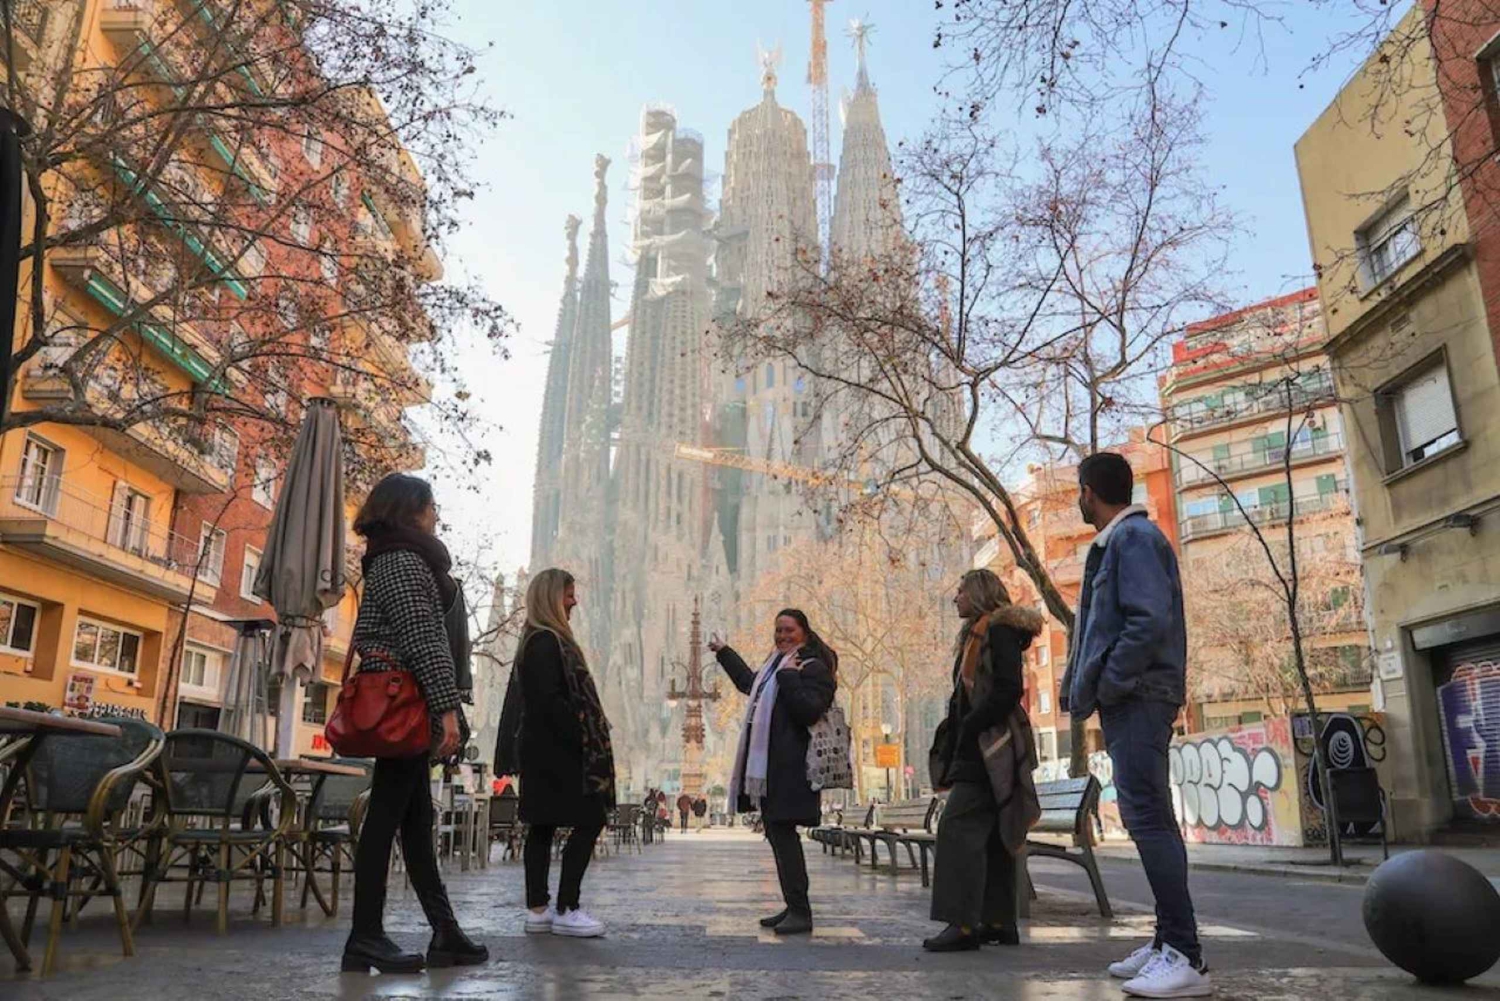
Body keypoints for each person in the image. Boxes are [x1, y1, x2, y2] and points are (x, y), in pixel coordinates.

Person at [1059, 452, 1207, 999]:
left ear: (1089, 491)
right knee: (1150, 818)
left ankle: (1185, 955)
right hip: (1134, 696)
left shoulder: (1134, 539)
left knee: (1147, 819)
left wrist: (1112, 683)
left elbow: (1148, 621)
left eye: (1079, 492)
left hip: (1140, 696)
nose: (1078, 500)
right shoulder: (1121, 542)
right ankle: (1168, 941)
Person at [343, 474, 488, 974]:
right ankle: (365, 935)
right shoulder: (402, 561)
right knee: (385, 818)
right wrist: (447, 708)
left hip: (404, 700)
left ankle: (445, 932)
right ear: (410, 511)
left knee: (416, 821)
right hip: (403, 703)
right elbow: (424, 638)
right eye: (431, 507)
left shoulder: (393, 557)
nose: (436, 515)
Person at [924, 569, 1042, 953]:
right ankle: (998, 921)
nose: (955, 597)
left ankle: (962, 924)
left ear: (977, 593)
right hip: (982, 745)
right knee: (992, 837)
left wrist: (971, 725)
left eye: (960, 591)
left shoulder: (998, 629)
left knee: (956, 829)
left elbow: (1008, 689)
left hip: (989, 748)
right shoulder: (980, 632)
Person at [709, 609, 837, 936]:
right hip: (773, 770)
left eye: (789, 630)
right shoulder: (775, 668)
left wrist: (790, 678)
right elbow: (749, 684)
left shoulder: (811, 667)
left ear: (804, 632)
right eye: (778, 630)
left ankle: (801, 911)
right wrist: (724, 652)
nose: (782, 636)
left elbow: (809, 711)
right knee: (778, 836)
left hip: (793, 770)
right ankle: (793, 906)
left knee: (785, 837)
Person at [517, 568, 617, 939]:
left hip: (542, 751)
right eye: (569, 595)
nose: (574, 602)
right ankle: (566, 908)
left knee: (542, 827)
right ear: (552, 598)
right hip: (558, 753)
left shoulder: (537, 639)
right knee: (591, 818)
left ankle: (539, 910)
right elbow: (549, 702)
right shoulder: (546, 642)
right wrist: (582, 731)